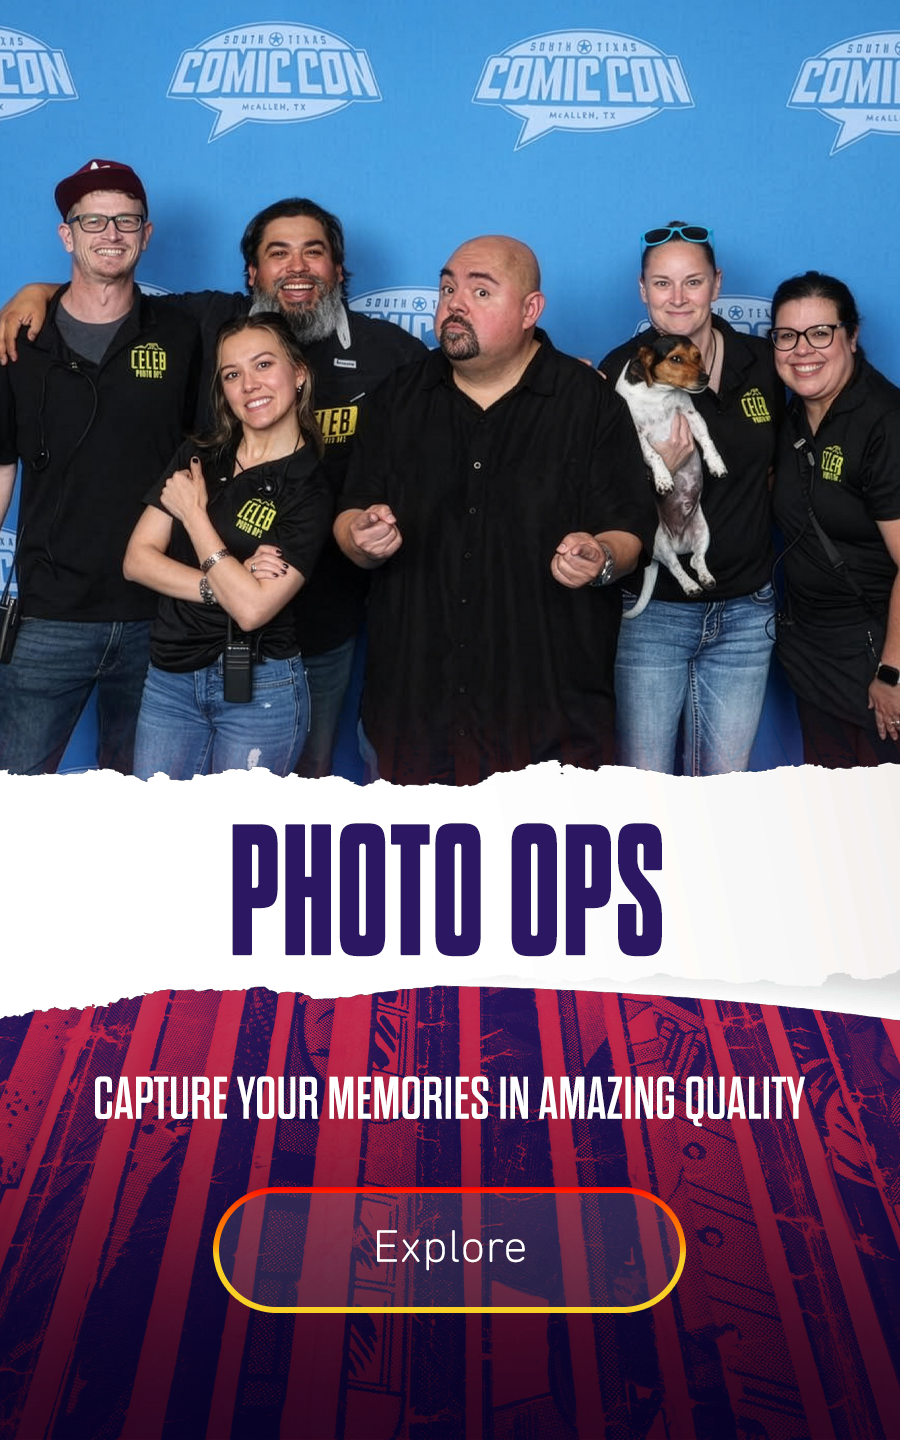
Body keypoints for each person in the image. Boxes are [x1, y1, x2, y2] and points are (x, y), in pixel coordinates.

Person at [0, 197, 424, 777]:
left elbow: (471, 368)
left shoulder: (391, 353)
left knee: (295, 803)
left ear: (339, 269)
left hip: (319, 632)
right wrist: (38, 291)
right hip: (182, 648)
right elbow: (107, 285)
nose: (296, 267)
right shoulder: (210, 326)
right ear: (253, 274)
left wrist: (557, 364)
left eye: (313, 251)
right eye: (278, 253)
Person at [334, 234, 655, 786]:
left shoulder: (589, 402)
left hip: (548, 721)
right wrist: (360, 538)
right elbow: (348, 517)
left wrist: (599, 556)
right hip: (415, 718)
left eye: (481, 291)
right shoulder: (398, 397)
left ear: (531, 310)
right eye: (447, 287)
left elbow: (628, 532)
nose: (455, 303)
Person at [0, 158, 200, 775]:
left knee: (147, 813)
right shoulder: (19, 342)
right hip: (48, 614)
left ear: (146, 234)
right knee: (16, 798)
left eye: (126, 220)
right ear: (67, 235)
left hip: (158, 616)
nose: (110, 233)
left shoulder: (185, 332)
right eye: (93, 221)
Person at [600, 221, 784, 775]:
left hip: (746, 615)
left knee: (723, 796)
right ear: (642, 290)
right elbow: (595, 492)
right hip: (651, 616)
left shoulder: (766, 363)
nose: (677, 298)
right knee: (647, 791)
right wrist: (657, 467)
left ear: (716, 284)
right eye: (662, 284)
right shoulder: (618, 372)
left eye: (693, 282)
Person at [124, 312, 331, 778]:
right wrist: (229, 579)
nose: (248, 385)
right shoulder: (198, 455)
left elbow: (254, 612)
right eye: (232, 374)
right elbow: (137, 561)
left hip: (260, 688)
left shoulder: (310, 488)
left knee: (235, 842)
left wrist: (194, 515)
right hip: (170, 680)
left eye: (263, 365)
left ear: (298, 373)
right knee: (157, 838)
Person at [769, 271, 900, 767]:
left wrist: (892, 673)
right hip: (811, 657)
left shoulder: (885, 423)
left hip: (877, 658)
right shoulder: (792, 417)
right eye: (787, 336)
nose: (803, 350)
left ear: (851, 335)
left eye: (820, 333)